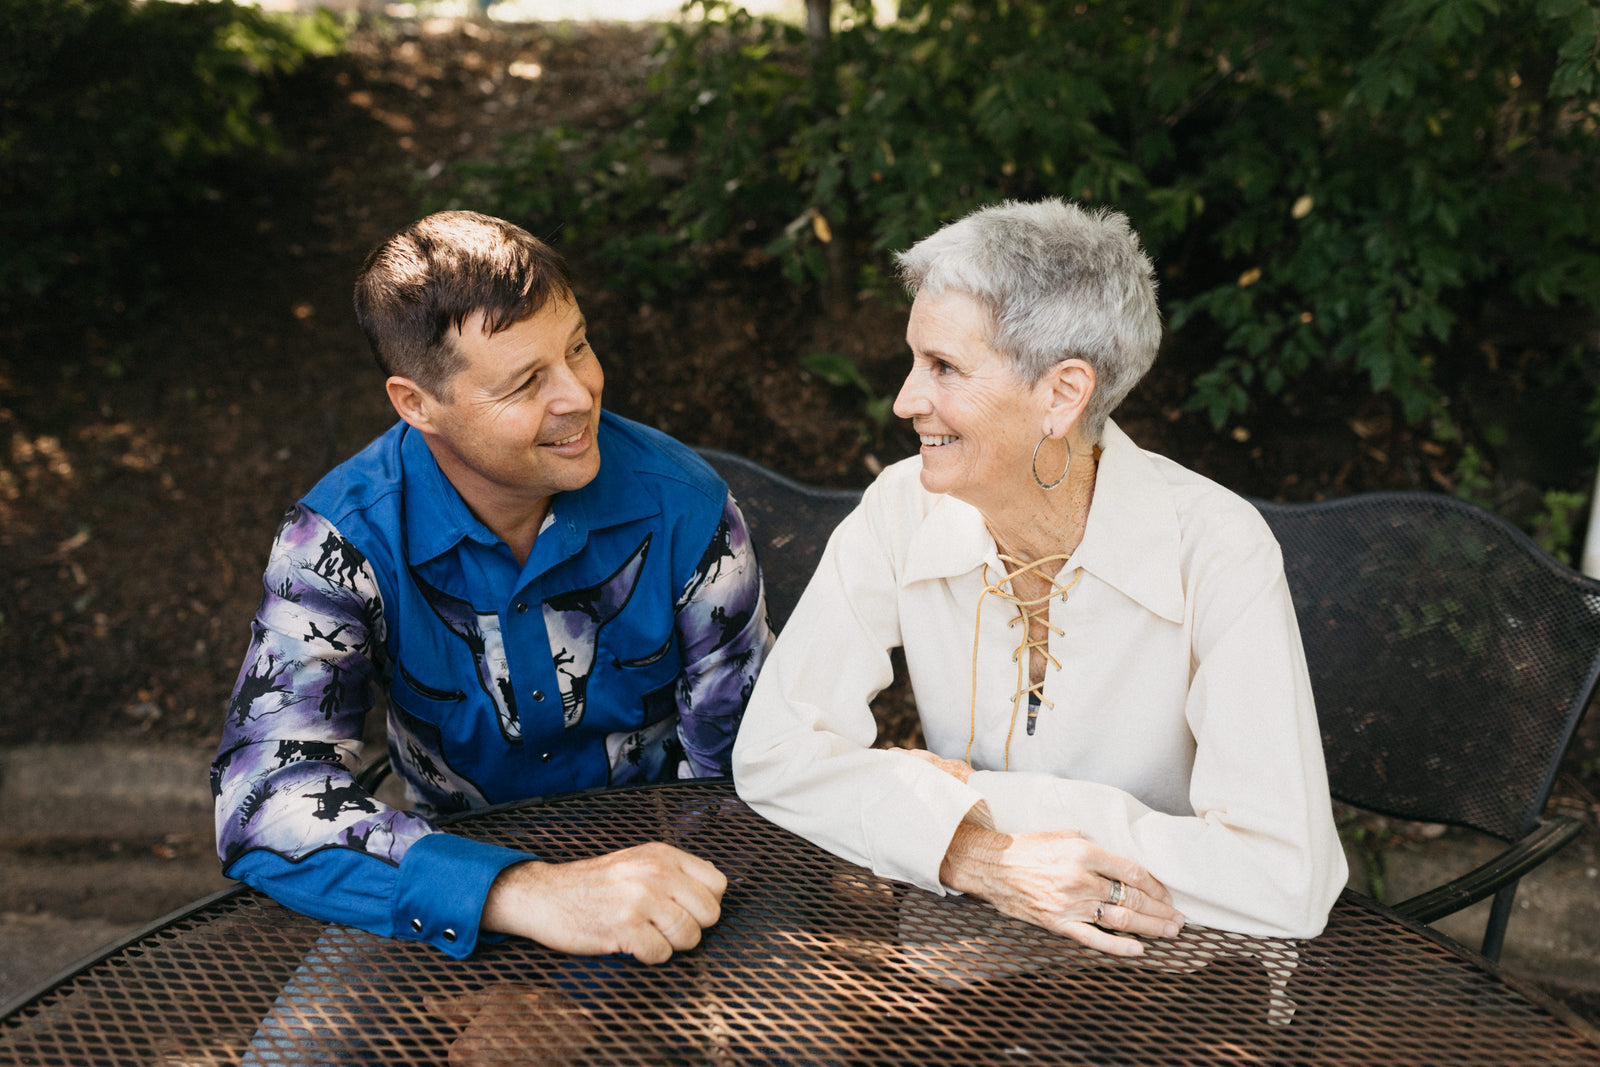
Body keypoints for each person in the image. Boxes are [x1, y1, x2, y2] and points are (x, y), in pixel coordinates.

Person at [733, 199, 1346, 957]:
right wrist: (969, 852)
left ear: (1062, 394)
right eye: (914, 358)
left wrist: (966, 806)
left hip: (1172, 977)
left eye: (945, 368)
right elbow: (773, 754)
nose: (904, 400)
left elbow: (1286, 876)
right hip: (962, 956)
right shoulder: (902, 508)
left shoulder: (1215, 549)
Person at [212, 210, 771, 963]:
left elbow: (743, 774)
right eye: (526, 382)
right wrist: (520, 896)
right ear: (417, 405)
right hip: (443, 892)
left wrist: (592, 991)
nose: (579, 393)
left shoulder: (688, 508)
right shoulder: (341, 543)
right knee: (294, 1053)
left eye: (577, 347)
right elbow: (264, 799)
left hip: (674, 884)